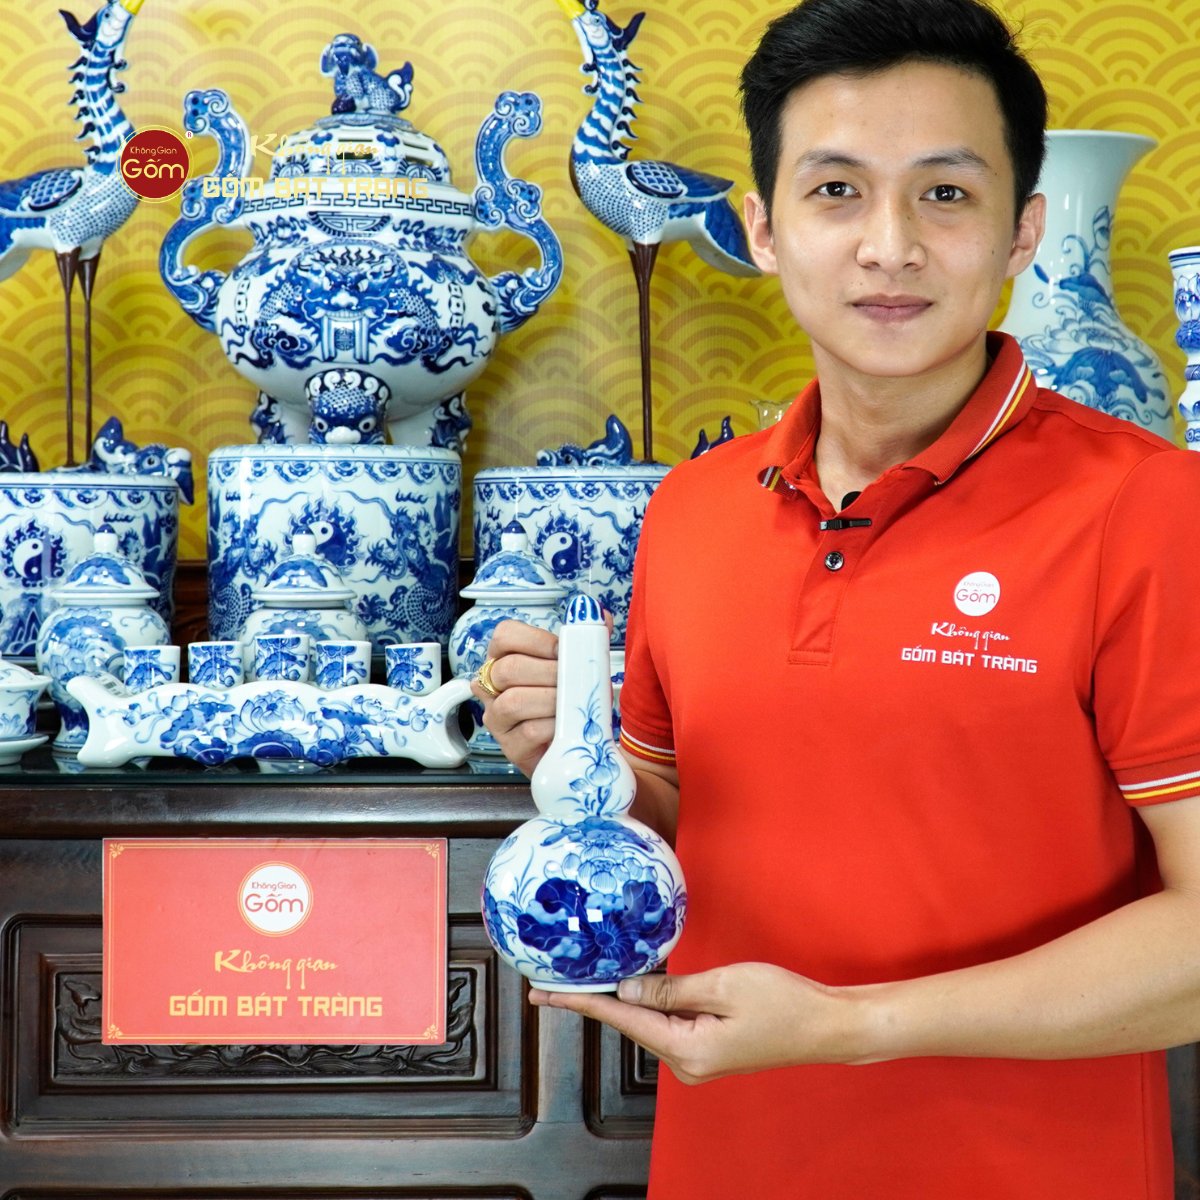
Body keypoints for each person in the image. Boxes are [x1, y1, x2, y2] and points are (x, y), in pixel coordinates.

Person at [471, 0, 1200, 1195]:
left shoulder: (1149, 505)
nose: (889, 245)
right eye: (836, 191)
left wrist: (852, 1026)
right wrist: (571, 750)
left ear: (1024, 230)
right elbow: (684, 818)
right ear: (763, 228)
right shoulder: (692, 508)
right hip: (729, 1163)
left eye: (946, 194)